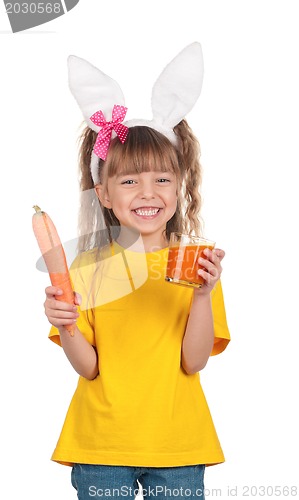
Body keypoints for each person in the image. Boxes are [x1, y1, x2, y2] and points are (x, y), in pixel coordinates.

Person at [44, 43, 230, 500]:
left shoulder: (198, 264)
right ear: (104, 194)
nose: (148, 193)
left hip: (178, 445)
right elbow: (89, 369)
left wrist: (203, 296)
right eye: (129, 180)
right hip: (101, 445)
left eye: (162, 179)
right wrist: (66, 325)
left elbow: (194, 361)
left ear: (179, 186)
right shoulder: (86, 269)